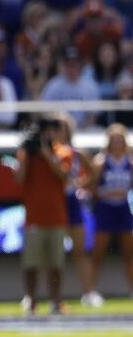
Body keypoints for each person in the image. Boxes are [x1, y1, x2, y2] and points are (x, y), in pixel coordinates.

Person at [12, 115, 72, 315]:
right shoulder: (27, 154)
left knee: (56, 263)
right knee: (31, 264)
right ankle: (31, 300)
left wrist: (46, 153)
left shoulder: (62, 152)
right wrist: (29, 155)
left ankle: (56, 301)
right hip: (33, 217)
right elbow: (19, 178)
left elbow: (63, 176)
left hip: (56, 216)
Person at [88, 124, 133, 302]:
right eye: (113, 139)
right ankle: (90, 291)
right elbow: (90, 188)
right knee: (98, 253)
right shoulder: (100, 162)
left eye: (119, 139)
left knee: (129, 254)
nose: (116, 143)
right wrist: (108, 193)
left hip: (123, 209)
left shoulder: (130, 162)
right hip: (105, 209)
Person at [59, 115, 98, 307]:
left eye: (60, 128)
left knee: (80, 251)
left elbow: (93, 173)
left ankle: (89, 293)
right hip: (54, 204)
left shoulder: (77, 153)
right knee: (53, 254)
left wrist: (81, 185)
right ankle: (53, 296)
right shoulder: (45, 154)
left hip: (72, 203)